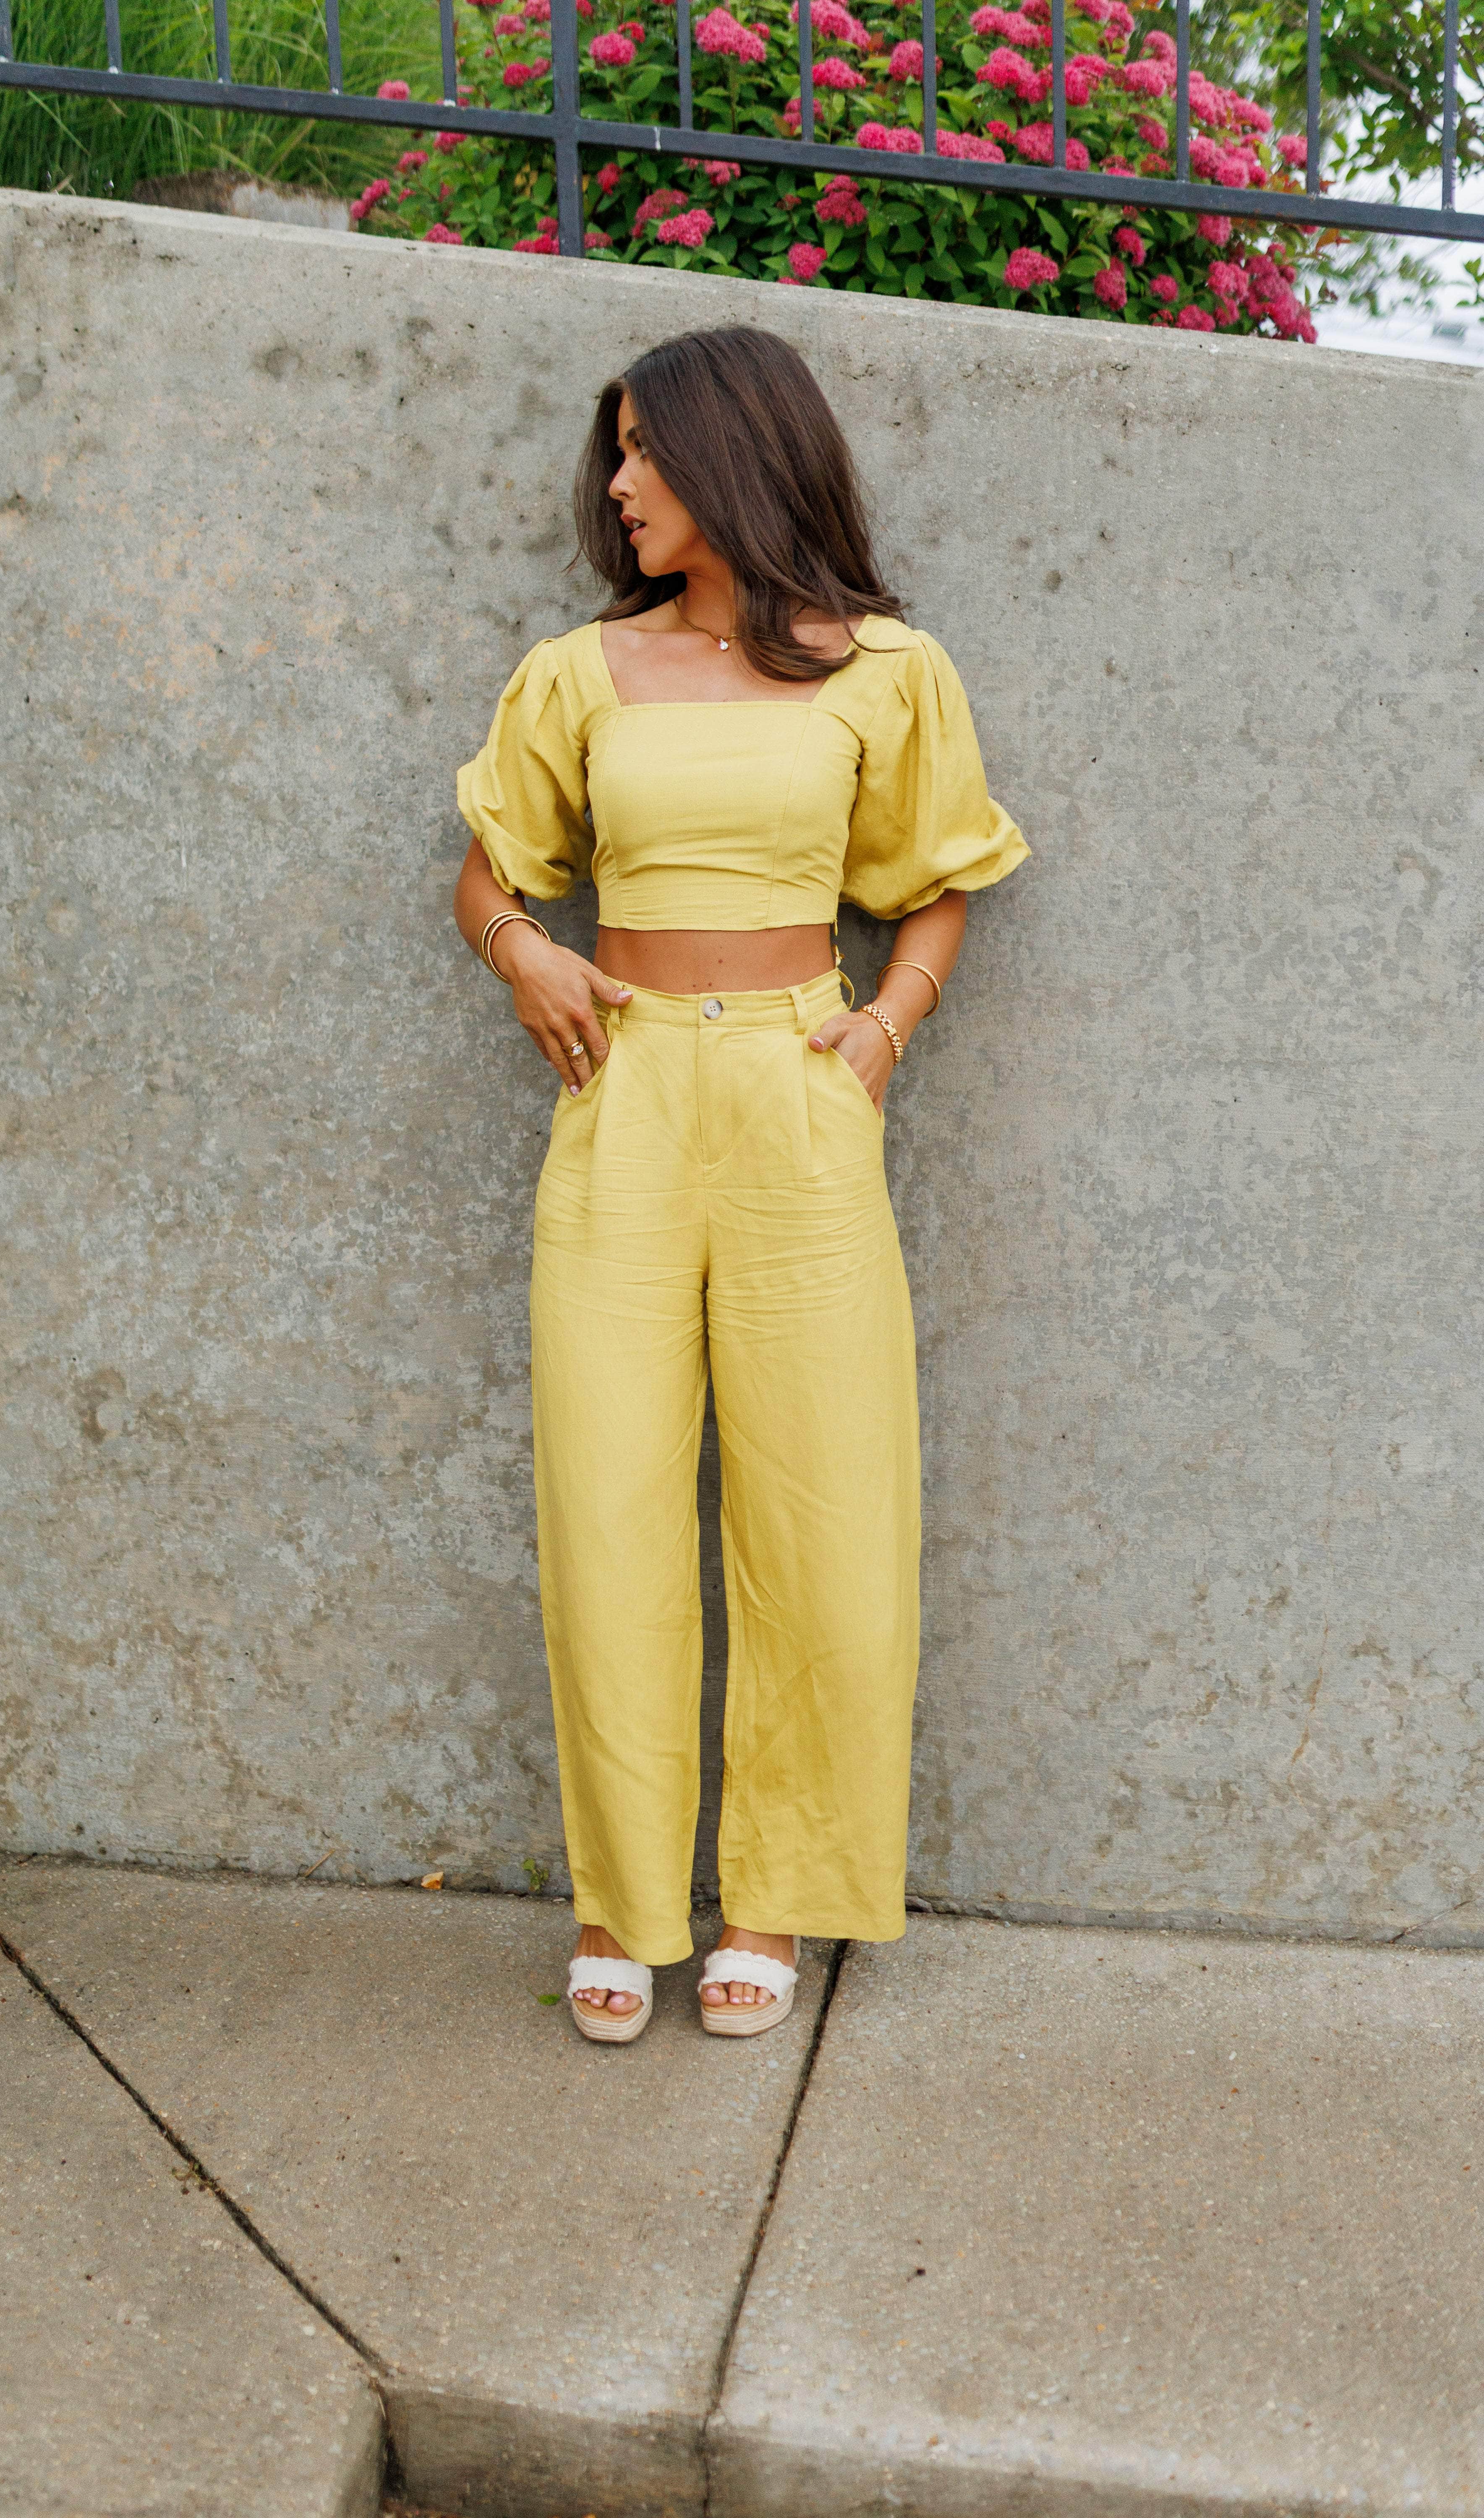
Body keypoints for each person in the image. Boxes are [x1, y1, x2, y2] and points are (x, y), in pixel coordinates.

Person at [452, 324, 1027, 2043]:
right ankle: (622, 1903)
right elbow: (491, 869)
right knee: (609, 1508)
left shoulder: (887, 672)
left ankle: (772, 1897)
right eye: (616, 449)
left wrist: (885, 1030)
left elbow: (939, 873)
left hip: (797, 1090)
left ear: (736, 453)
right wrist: (522, 955)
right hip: (622, 1094)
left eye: (648, 449)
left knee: (823, 1514)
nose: (620, 482)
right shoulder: (580, 672)